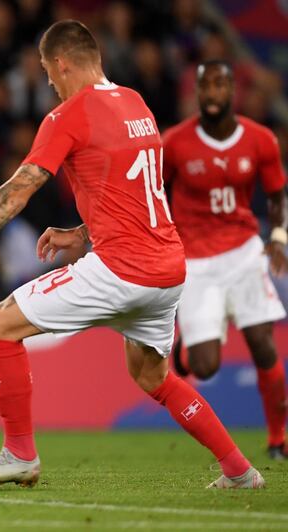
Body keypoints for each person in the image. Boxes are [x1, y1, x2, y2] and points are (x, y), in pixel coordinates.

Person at [0, 20, 264, 489]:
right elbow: (139, 189)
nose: (49, 83)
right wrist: (82, 232)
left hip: (122, 269)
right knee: (152, 377)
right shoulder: (135, 103)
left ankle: (19, 453)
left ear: (60, 63)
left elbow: (20, 189)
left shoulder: (68, 115)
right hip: (167, 270)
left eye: (46, 71)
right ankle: (240, 470)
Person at [163, 60, 287, 459]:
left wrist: (280, 237)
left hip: (245, 253)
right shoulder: (176, 143)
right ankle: (189, 348)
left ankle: (277, 438)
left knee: (263, 345)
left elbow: (276, 194)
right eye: (206, 87)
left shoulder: (261, 140)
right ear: (198, 93)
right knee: (206, 366)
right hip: (197, 262)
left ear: (232, 89)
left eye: (220, 85)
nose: (213, 93)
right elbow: (153, 188)